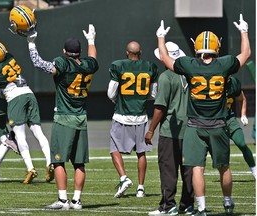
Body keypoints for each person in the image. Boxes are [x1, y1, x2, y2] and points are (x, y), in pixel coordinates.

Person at [155, 13, 251, 216]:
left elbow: (165, 58)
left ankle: (201, 208)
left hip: (195, 126)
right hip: (218, 124)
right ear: (217, 46)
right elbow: (246, 54)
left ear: (196, 46)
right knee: (223, 166)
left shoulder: (190, 65)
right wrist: (244, 32)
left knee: (197, 167)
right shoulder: (224, 64)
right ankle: (227, 201)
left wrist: (161, 37)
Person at [25, 24, 98, 210]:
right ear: (79, 52)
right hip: (81, 116)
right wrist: (91, 40)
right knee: (79, 163)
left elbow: (39, 64)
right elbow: (92, 58)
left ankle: (63, 200)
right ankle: (77, 201)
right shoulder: (88, 65)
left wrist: (31, 43)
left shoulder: (63, 63)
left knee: (58, 160)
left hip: (64, 117)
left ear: (64, 51)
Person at [0, 40, 54, 184]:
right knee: (38, 132)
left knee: (19, 135)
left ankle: (30, 168)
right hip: (29, 93)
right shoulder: (10, 57)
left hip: (15, 98)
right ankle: (50, 162)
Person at [146, 42, 194, 215]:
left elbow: (160, 107)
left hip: (170, 130)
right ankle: (188, 205)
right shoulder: (191, 74)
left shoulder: (166, 77)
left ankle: (168, 205)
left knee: (168, 169)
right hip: (191, 128)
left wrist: (151, 129)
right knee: (189, 170)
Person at [107, 41, 158, 198]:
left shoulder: (118, 66)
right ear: (140, 52)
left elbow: (111, 93)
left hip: (122, 115)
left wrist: (121, 101)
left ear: (126, 52)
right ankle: (141, 188)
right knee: (141, 153)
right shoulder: (150, 66)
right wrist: (140, 99)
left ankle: (123, 178)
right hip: (141, 116)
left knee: (114, 149)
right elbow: (153, 94)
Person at [226, 76, 256, 178]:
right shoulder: (210, 80)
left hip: (229, 119)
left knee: (241, 143)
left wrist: (243, 114)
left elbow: (242, 99)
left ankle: (254, 170)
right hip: (213, 121)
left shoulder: (233, 82)